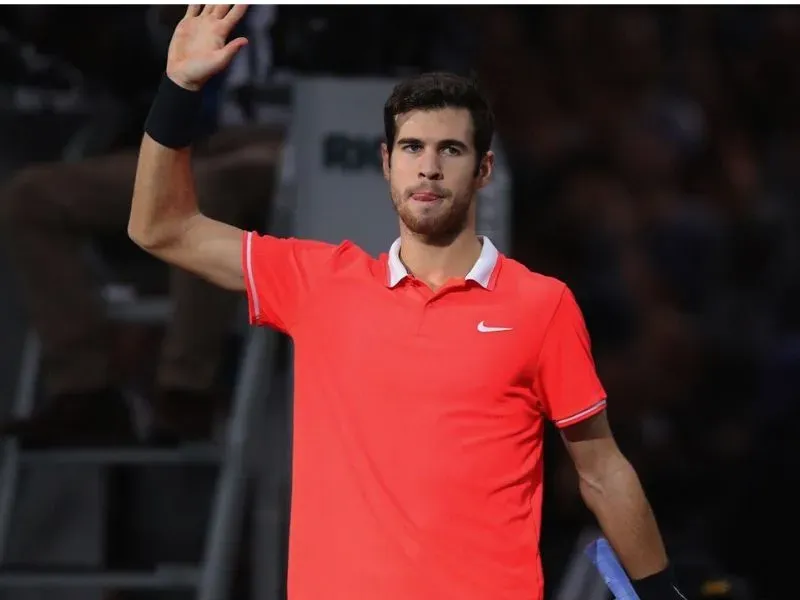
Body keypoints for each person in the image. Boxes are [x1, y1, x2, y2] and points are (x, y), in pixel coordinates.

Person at [129, 5, 687, 600]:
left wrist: (663, 594)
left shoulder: (541, 305)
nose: (429, 167)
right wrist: (179, 89)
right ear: (386, 164)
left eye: (451, 150)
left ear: (484, 170)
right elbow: (161, 227)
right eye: (413, 147)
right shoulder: (320, 283)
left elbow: (601, 471)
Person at [0, 7, 282, 447]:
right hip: (198, 143)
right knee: (31, 198)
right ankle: (85, 387)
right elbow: (122, 63)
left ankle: (186, 387)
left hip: (295, 144)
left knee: (203, 187)